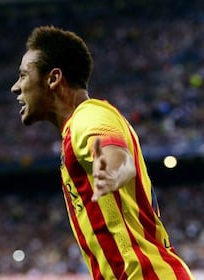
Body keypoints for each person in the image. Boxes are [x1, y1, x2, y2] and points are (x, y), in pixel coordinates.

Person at [10, 25, 194, 279]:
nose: (15, 87)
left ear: (53, 78)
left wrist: (113, 167)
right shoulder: (76, 128)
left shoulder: (89, 117)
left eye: (23, 75)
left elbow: (112, 152)